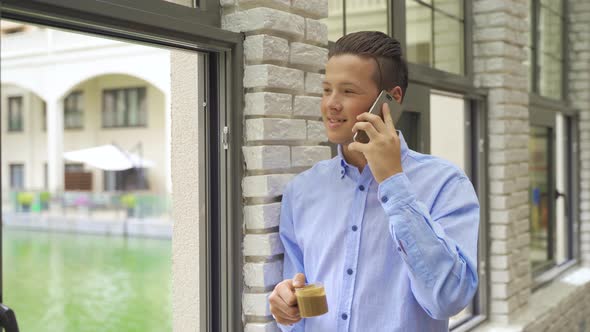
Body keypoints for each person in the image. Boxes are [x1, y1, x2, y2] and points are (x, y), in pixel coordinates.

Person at [268, 31, 480, 331]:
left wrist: (393, 181)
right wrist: (286, 308)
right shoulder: (302, 190)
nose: (331, 104)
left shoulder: (447, 184)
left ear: (390, 100)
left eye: (348, 91)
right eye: (326, 89)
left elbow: (449, 298)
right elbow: (297, 299)